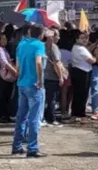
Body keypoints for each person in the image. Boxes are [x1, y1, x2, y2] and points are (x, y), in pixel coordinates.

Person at [12, 24, 47, 157]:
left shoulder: (21, 44)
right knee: (34, 117)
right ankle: (32, 148)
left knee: (21, 116)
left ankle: (17, 146)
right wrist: (40, 80)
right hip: (34, 84)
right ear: (41, 34)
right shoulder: (39, 45)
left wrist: (20, 74)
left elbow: (18, 64)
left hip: (22, 83)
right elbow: (38, 62)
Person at [70, 30, 96, 121]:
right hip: (82, 72)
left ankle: (76, 113)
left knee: (79, 94)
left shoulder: (79, 47)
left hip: (80, 71)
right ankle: (80, 113)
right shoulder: (80, 48)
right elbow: (91, 60)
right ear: (77, 39)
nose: (85, 40)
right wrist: (95, 58)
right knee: (82, 94)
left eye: (86, 38)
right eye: (82, 38)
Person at [42, 29, 66, 126]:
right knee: (52, 98)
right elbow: (56, 63)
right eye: (57, 35)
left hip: (44, 75)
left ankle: (44, 117)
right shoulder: (54, 47)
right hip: (52, 76)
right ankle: (51, 118)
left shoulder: (42, 46)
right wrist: (60, 76)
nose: (59, 38)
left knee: (45, 98)